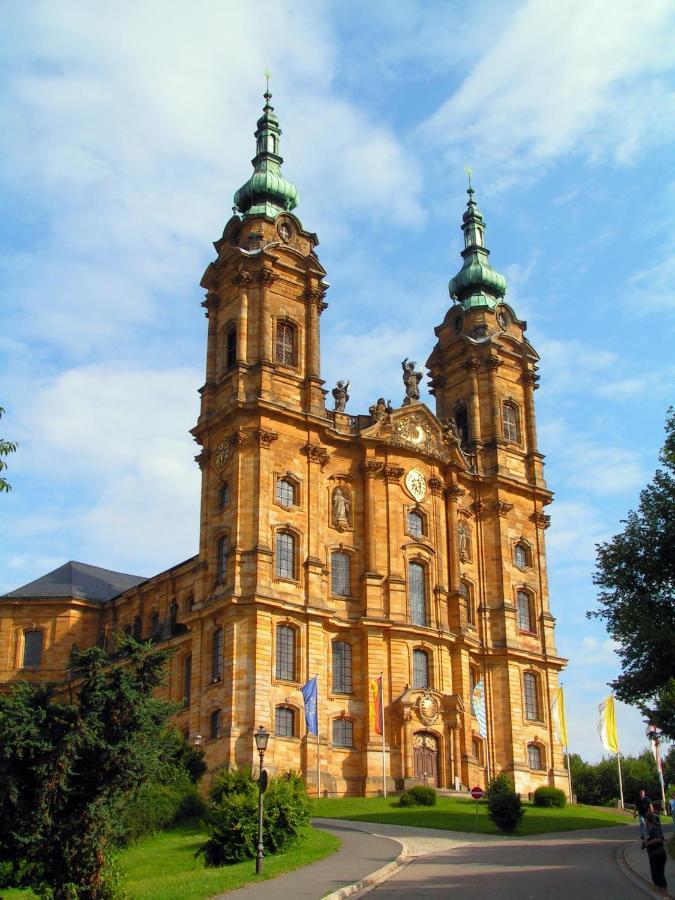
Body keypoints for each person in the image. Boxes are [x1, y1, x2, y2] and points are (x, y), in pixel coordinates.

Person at [642, 810, 668, 892]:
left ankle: (662, 893)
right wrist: (645, 842)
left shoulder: (654, 828)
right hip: (656, 854)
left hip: (657, 853)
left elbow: (658, 839)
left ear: (647, 820)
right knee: (657, 874)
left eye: (645, 820)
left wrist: (648, 843)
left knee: (657, 875)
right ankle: (661, 891)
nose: (644, 822)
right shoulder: (652, 829)